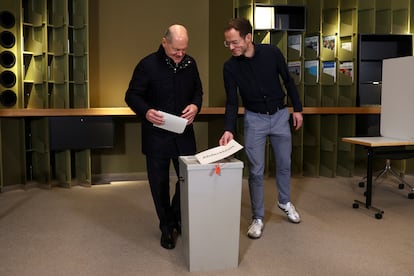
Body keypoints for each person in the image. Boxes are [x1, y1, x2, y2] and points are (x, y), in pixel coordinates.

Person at [219, 18, 303, 239]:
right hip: (254, 119)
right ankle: (257, 217)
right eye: (227, 43)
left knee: (284, 164)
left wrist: (298, 109)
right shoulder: (229, 67)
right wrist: (228, 128)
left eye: (235, 42)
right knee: (256, 171)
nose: (231, 47)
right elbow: (231, 101)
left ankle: (284, 201)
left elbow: (288, 81)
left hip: (279, 115)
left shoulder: (272, 53)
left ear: (248, 38)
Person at [125, 24, 203, 249]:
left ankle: (176, 217)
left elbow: (198, 91)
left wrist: (195, 106)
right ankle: (167, 227)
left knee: (187, 182)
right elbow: (132, 95)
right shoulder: (147, 65)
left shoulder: (191, 64)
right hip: (156, 137)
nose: (180, 54)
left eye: (184, 49)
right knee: (159, 185)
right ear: (164, 42)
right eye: (176, 49)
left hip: (184, 135)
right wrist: (146, 111)